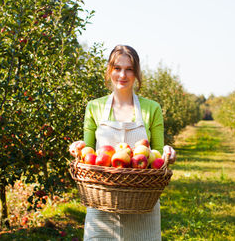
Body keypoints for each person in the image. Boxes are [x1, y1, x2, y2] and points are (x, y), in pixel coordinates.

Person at [71, 45, 176, 241]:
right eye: (117, 68)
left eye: (129, 69)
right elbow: (88, 152)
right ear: (109, 70)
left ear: (136, 73)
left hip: (142, 203)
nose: (123, 74)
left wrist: (168, 153)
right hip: (102, 201)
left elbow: (158, 154)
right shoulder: (94, 107)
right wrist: (78, 147)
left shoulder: (151, 108)